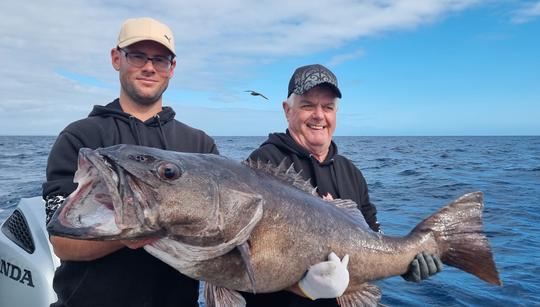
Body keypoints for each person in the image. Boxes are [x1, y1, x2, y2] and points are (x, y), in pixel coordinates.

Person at [42, 17, 218, 307]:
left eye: (160, 59)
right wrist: (133, 231)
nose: (149, 67)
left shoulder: (200, 146)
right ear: (116, 58)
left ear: (171, 68)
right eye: (137, 56)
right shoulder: (80, 138)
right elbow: (61, 242)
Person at [243, 64, 443, 306]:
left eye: (327, 107)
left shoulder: (351, 173)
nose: (319, 115)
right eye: (307, 105)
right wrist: (304, 288)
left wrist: (406, 265)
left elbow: (373, 240)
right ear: (287, 110)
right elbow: (239, 264)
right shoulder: (259, 166)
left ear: (335, 113)